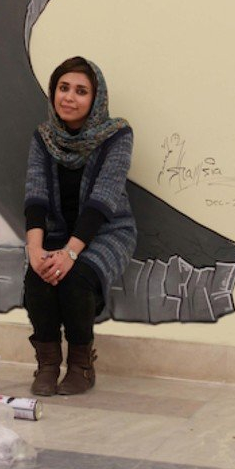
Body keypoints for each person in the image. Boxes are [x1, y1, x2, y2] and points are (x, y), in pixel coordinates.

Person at [24, 57, 135, 395]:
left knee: (76, 279)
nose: (69, 97)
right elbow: (36, 197)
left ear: (95, 99)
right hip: (57, 230)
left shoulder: (117, 135)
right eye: (63, 88)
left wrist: (70, 253)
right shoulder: (43, 137)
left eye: (81, 91)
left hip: (107, 231)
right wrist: (35, 250)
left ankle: (81, 365)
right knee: (38, 278)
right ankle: (47, 364)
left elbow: (103, 200)